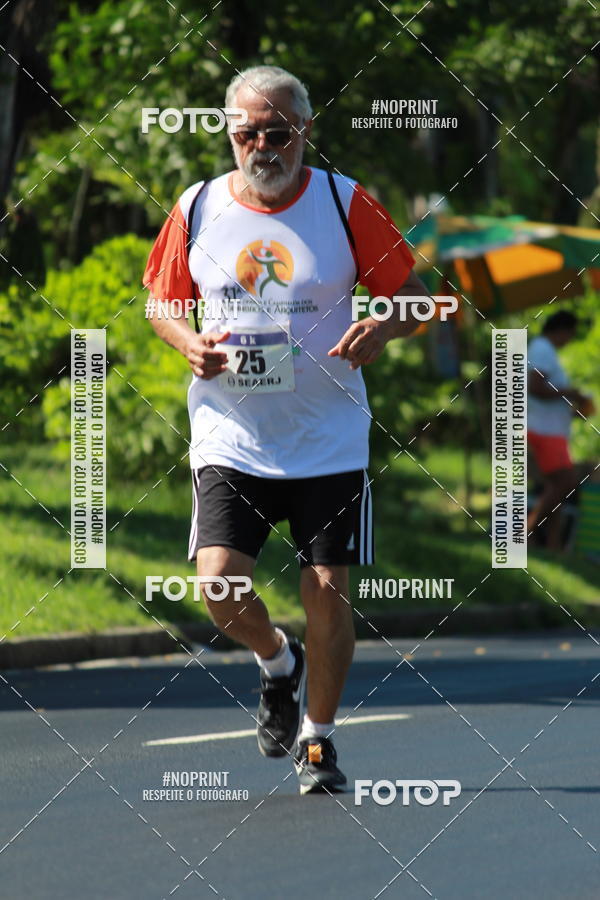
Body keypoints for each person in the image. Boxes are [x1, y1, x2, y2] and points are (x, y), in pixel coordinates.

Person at [143, 65, 427, 794]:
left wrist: (383, 325)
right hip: (231, 435)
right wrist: (187, 344)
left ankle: (320, 741)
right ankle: (277, 661)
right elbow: (161, 304)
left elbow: (417, 298)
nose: (264, 145)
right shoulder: (198, 205)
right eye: (249, 132)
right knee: (217, 586)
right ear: (231, 134)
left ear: (305, 130)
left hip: (328, 437)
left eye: (279, 131)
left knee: (328, 588)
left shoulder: (344, 202)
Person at [527, 310, 592, 551]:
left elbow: (546, 395)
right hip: (544, 431)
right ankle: (526, 531)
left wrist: (574, 411)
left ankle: (552, 546)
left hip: (550, 428)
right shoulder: (543, 349)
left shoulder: (543, 350)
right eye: (571, 334)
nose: (570, 340)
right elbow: (534, 387)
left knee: (555, 488)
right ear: (563, 330)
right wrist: (571, 393)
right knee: (566, 483)